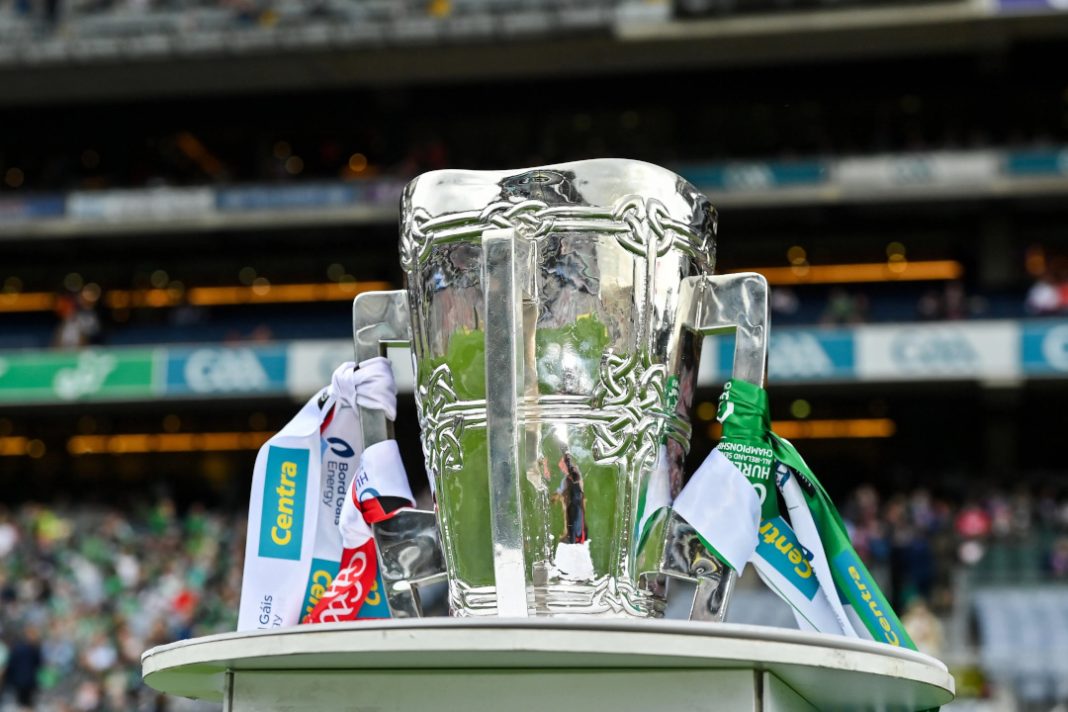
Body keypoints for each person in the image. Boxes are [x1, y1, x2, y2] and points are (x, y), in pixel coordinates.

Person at [3, 626, 42, 711]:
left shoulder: (17, 648)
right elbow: (39, 663)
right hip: (27, 681)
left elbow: (11, 664)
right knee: (25, 703)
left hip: (22, 681)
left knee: (22, 703)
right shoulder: (33, 649)